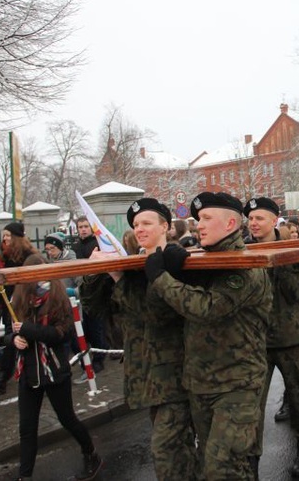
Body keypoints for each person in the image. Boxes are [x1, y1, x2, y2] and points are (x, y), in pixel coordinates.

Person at [144, 191, 271, 479]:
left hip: (236, 386)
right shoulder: (205, 262)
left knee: (222, 469)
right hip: (201, 383)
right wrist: (178, 273)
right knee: (210, 464)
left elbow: (207, 308)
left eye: (206, 218)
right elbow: (165, 313)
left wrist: (162, 278)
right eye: (198, 219)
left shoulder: (243, 267)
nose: (198, 224)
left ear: (229, 225)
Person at [81, 198, 197, 480]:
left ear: (166, 227)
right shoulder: (132, 264)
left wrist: (119, 278)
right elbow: (94, 307)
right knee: (177, 452)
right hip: (145, 375)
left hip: (175, 374)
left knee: (166, 453)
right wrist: (94, 273)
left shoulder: (179, 263)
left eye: (147, 223)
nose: (139, 229)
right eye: (135, 225)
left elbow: (156, 314)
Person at [8, 254, 103, 481]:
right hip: (29, 372)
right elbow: (9, 332)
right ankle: (25, 476)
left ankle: (91, 452)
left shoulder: (57, 297)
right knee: (27, 428)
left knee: (67, 418)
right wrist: (13, 340)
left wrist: (27, 330)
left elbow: (60, 335)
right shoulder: (18, 298)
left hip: (54, 369)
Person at [244, 197, 299, 477]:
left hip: (291, 339)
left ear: (275, 221)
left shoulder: (295, 250)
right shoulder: (242, 251)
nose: (253, 223)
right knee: (251, 406)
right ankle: (251, 462)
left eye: (259, 218)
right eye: (250, 219)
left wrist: (280, 260)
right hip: (255, 341)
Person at [0, 222, 39, 395]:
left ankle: (7, 374)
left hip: (24, 303)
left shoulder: (28, 255)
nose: (5, 239)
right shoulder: (5, 255)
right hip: (8, 303)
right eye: (4, 235)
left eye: (9, 235)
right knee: (11, 337)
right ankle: (6, 374)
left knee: (19, 336)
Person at [70, 218, 108, 380]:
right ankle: (86, 357)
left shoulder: (97, 244)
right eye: (80, 227)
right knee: (82, 330)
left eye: (86, 226)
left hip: (96, 291)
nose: (83, 229)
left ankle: (99, 359)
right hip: (79, 290)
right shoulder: (76, 247)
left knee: (96, 327)